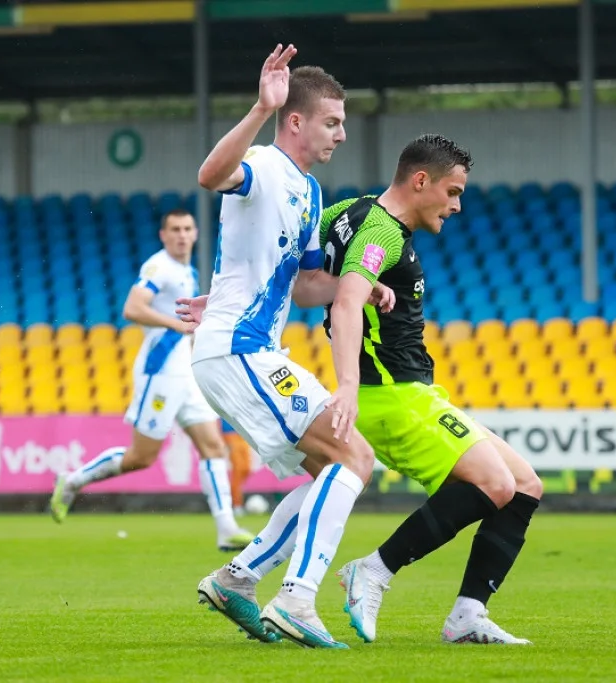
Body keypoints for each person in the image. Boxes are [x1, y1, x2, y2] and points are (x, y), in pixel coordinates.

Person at [189, 44, 391, 649]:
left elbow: (304, 286)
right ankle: (297, 599)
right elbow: (210, 177)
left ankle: (238, 579)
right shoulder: (263, 163)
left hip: (248, 350)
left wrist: (361, 284)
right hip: (240, 348)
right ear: (296, 120)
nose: (341, 135)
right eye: (332, 122)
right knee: (354, 458)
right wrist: (260, 108)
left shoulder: (310, 190)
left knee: (335, 471)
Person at [323, 134, 543, 645]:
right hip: (392, 395)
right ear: (421, 181)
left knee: (524, 485)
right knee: (496, 484)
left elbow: (295, 259)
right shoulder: (382, 230)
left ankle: (468, 614)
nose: (457, 205)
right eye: (453, 191)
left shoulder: (349, 212)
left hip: (413, 393)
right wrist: (348, 385)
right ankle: (373, 570)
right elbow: (348, 302)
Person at [49, 211, 254, 553]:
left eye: (187, 229)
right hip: (160, 372)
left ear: (195, 233)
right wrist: (176, 326)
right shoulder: (159, 267)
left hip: (185, 372)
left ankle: (226, 529)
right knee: (141, 457)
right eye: (175, 229)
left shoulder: (188, 272)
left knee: (214, 446)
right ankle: (71, 481)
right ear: (163, 235)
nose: (182, 235)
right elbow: (132, 308)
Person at [220, 419, 253, 517]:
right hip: (229, 432)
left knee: (246, 468)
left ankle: (235, 498)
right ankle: (236, 504)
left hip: (243, 431)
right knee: (238, 469)